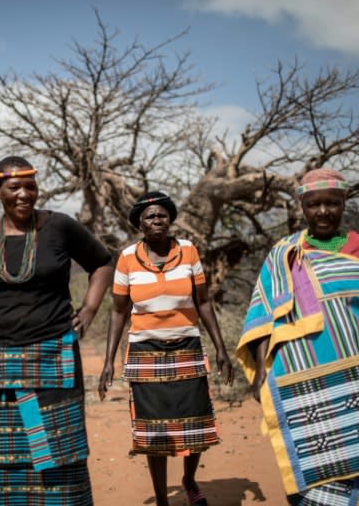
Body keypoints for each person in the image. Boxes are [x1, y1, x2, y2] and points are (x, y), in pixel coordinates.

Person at [236, 168, 359, 505]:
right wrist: (262, 371)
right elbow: (265, 315)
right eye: (314, 204)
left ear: (343, 202)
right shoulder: (285, 254)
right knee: (312, 460)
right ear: (302, 207)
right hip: (303, 377)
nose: (323, 211)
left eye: (332, 203)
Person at [0, 156, 113, 506]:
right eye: (14, 188)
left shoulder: (60, 227)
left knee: (59, 451)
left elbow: (102, 262)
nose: (24, 194)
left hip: (51, 358)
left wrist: (90, 309)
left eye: (31, 187)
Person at [98, 191, 234, 506]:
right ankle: (161, 499)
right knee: (153, 432)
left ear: (170, 219)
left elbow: (202, 301)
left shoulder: (188, 251)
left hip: (187, 345)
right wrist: (108, 361)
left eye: (161, 215)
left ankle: (188, 479)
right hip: (144, 351)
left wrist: (221, 348)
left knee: (196, 421)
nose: (156, 221)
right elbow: (118, 311)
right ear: (139, 224)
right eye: (149, 217)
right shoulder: (128, 257)